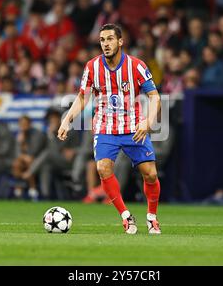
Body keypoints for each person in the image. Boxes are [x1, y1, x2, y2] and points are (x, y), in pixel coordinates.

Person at [58, 23, 162, 234]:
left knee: (150, 174)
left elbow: (155, 96)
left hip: (134, 127)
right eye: (102, 40)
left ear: (120, 41)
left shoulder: (136, 66)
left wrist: (148, 122)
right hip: (105, 127)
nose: (106, 44)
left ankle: (151, 217)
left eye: (110, 39)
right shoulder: (92, 67)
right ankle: (126, 216)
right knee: (102, 168)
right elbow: (82, 98)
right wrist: (66, 120)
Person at [11, 115, 47, 201]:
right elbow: (16, 154)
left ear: (30, 124)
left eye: (25, 124)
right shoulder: (19, 136)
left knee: (29, 162)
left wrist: (25, 154)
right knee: (16, 164)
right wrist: (20, 143)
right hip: (23, 161)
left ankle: (32, 189)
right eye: (21, 124)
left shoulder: (37, 134)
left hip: (38, 162)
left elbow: (35, 151)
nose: (23, 126)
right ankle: (19, 191)